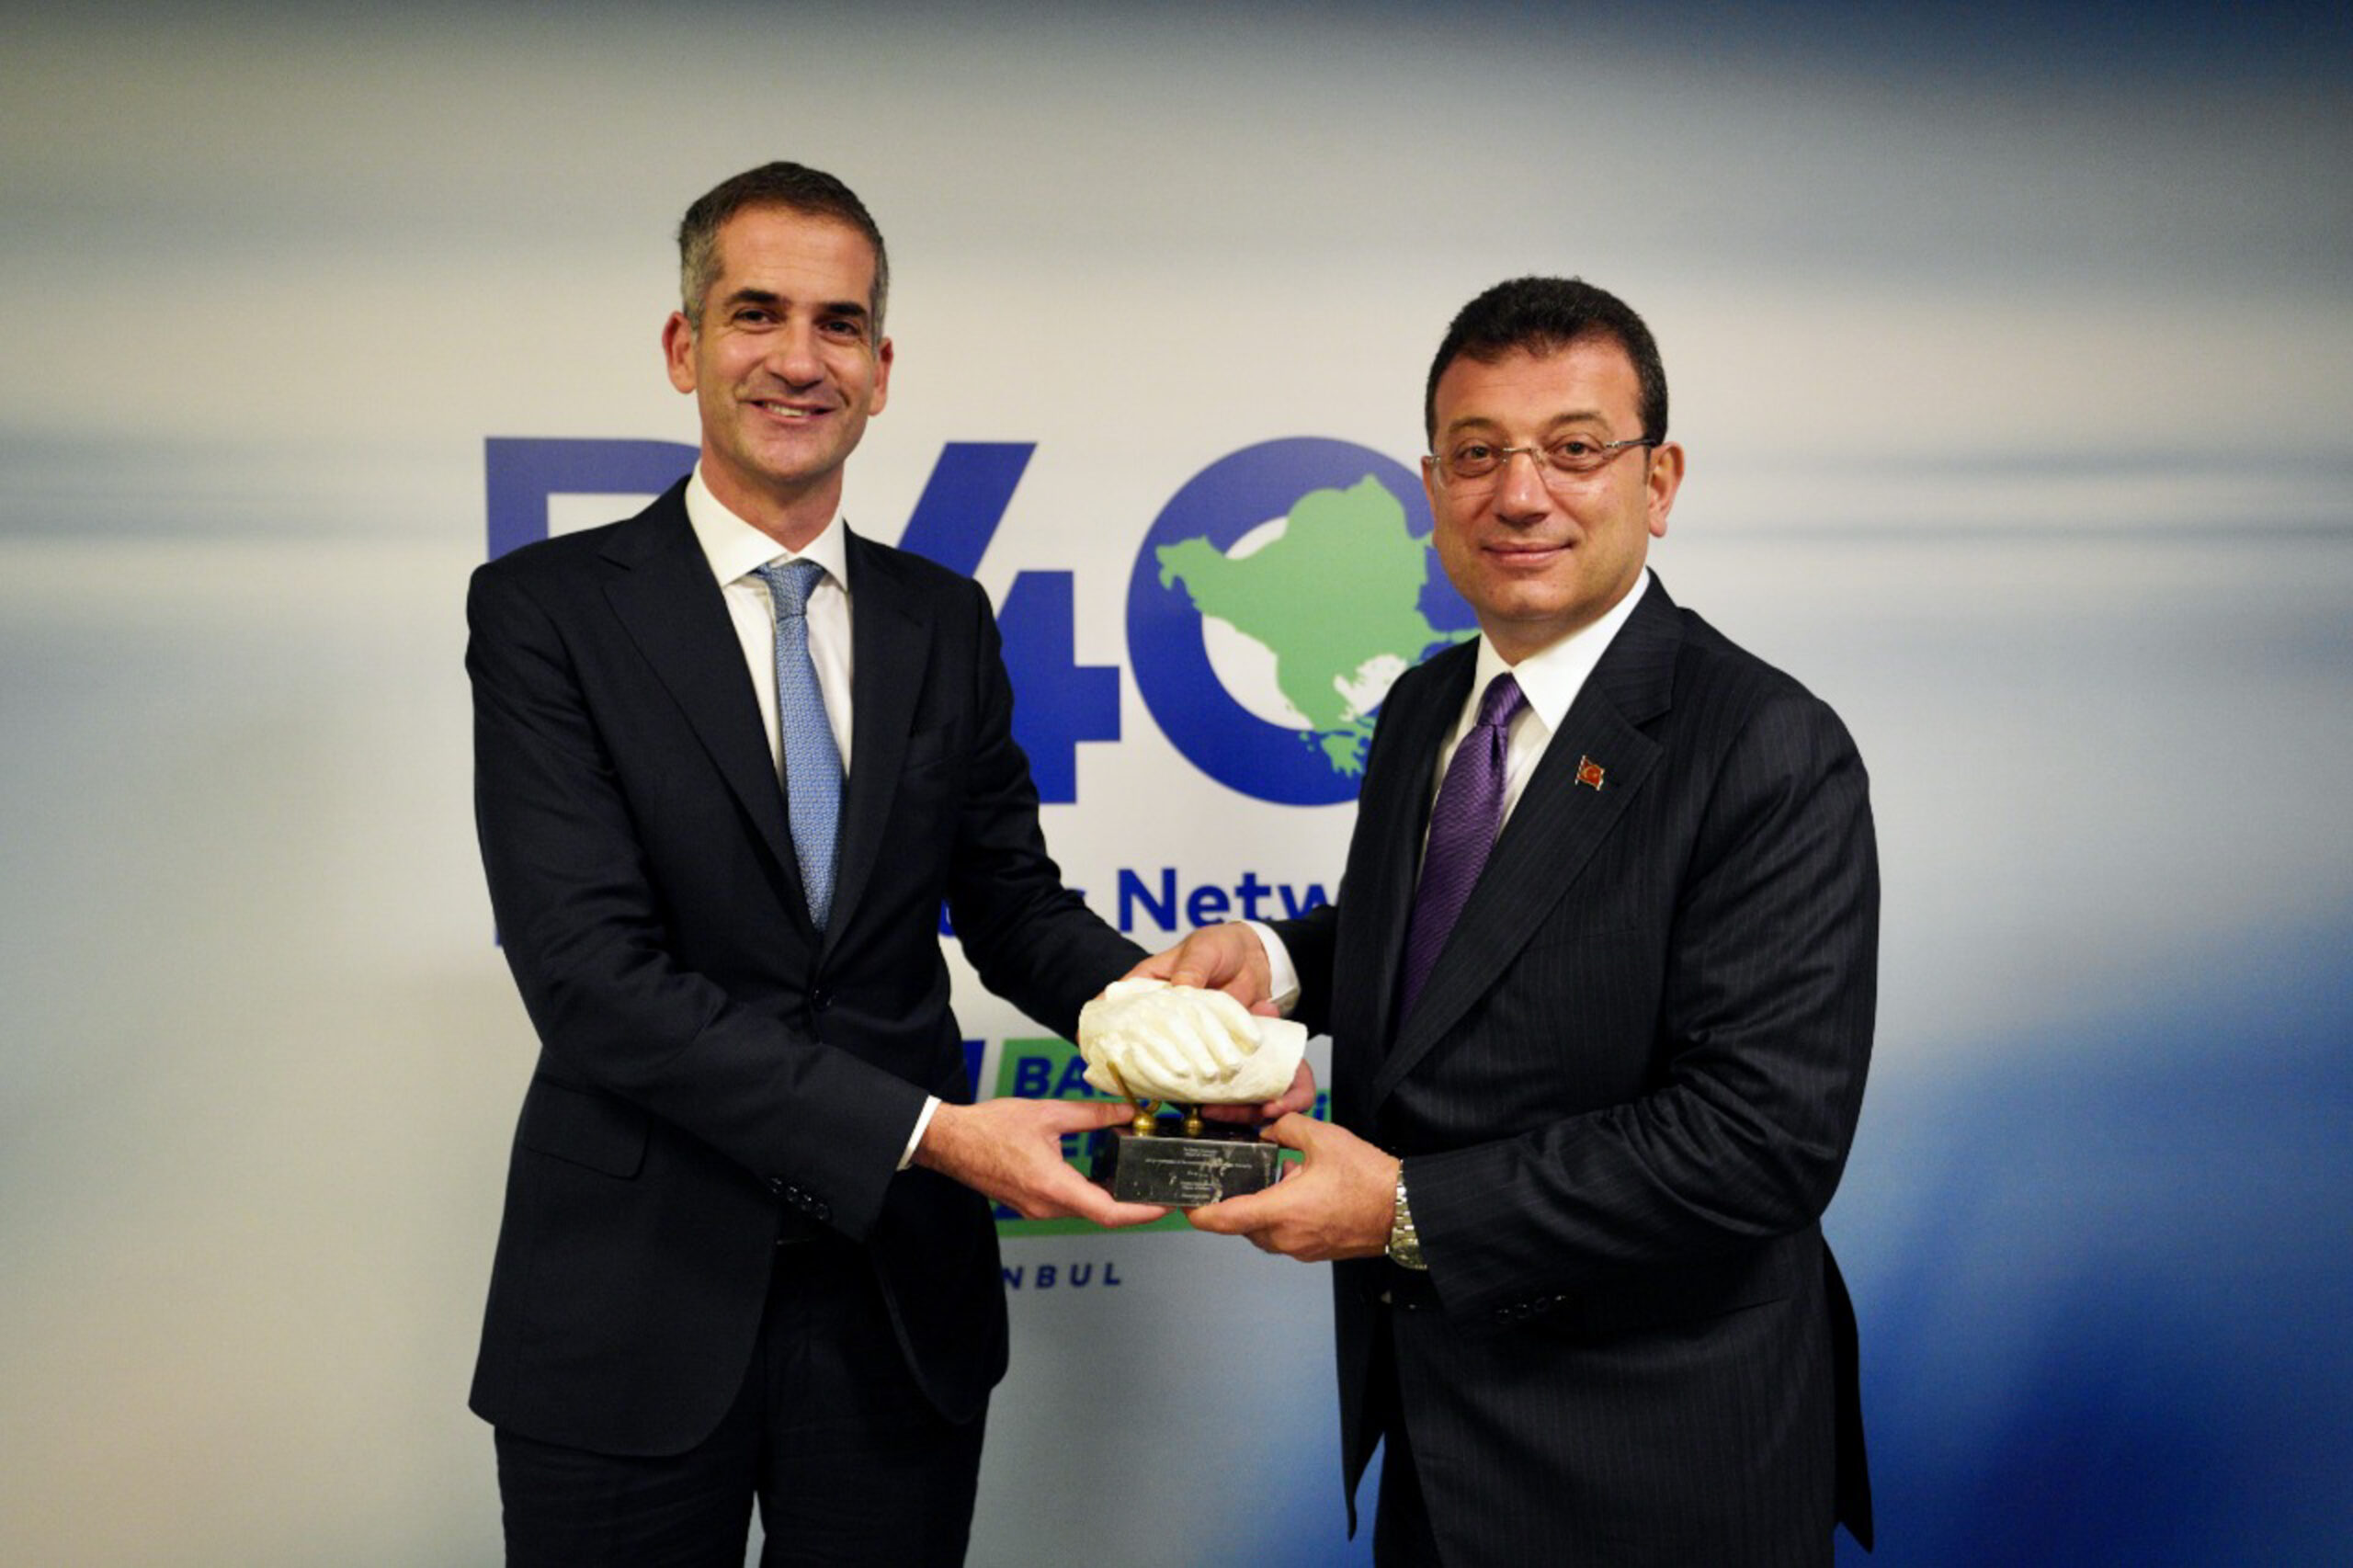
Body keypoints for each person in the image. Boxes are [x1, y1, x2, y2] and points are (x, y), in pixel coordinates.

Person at [464, 160, 1160, 1567]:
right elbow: (592, 981)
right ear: (685, 347)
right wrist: (929, 1132)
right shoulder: (548, 611)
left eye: (839, 324)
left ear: (881, 370)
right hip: (633, 1299)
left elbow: (1010, 900)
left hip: (895, 1305)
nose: (799, 358)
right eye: (756, 314)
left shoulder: (943, 619)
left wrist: (1168, 1014)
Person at [1140, 277, 1878, 1565]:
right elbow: (1466, 938)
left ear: (1659, 481)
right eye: (1478, 454)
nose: (1520, 494)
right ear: (1433, 487)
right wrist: (1275, 961)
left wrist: (1405, 1209)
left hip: (1660, 1463)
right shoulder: (1426, 707)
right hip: (1439, 1436)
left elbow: (1761, 1140)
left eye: (1574, 449)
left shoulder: (1766, 745)